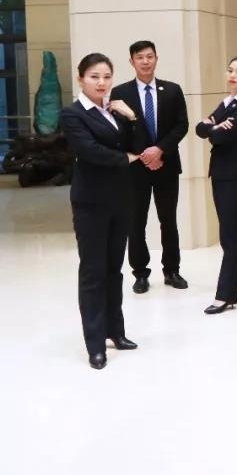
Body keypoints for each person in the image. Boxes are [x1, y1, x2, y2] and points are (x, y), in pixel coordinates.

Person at [61, 53, 143, 369]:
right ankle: (95, 343)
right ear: (81, 78)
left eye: (107, 76)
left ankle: (115, 331)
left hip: (120, 199)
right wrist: (124, 159)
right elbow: (89, 151)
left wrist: (131, 117)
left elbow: (138, 144)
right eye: (95, 76)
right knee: (93, 271)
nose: (102, 82)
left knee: (114, 269)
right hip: (91, 203)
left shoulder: (115, 111)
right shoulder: (73, 114)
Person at [111, 40, 190, 292]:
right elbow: (120, 132)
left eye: (149, 56)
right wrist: (146, 154)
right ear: (131, 61)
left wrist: (159, 150)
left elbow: (181, 125)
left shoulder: (172, 90)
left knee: (169, 221)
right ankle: (140, 273)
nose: (145, 61)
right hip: (135, 168)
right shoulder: (120, 93)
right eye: (140, 57)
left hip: (167, 164)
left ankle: (172, 270)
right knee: (136, 222)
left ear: (156, 58)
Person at [195, 56, 237, 315]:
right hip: (220, 174)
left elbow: (221, 136)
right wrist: (213, 127)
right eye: (230, 70)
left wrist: (213, 128)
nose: (232, 75)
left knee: (228, 234)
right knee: (233, 231)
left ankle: (225, 293)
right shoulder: (227, 102)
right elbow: (199, 129)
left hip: (235, 175)